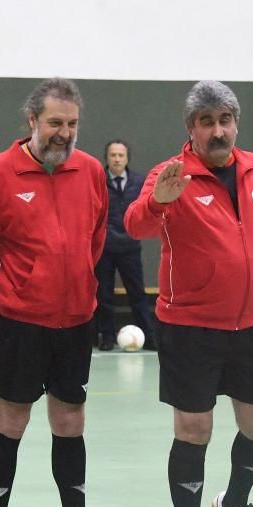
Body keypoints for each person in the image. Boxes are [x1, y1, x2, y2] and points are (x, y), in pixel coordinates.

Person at [124, 80, 253, 507]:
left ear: (236, 122)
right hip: (189, 327)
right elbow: (134, 227)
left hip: (249, 325)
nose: (217, 131)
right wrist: (158, 201)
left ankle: (234, 501)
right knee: (194, 430)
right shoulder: (170, 175)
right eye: (206, 123)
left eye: (225, 120)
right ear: (191, 129)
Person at [0, 77, 127, 507]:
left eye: (72, 124)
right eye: (55, 123)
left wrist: (75, 282)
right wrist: (12, 291)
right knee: (11, 421)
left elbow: (95, 238)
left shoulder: (91, 171)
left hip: (76, 319)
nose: (64, 133)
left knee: (70, 421)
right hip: (21, 321)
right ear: (31, 121)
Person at [95, 139, 155, 351]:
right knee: (104, 294)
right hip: (105, 249)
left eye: (121, 155)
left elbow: (144, 211)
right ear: (107, 158)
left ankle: (149, 335)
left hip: (130, 248)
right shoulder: (98, 180)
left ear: (127, 158)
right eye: (113, 155)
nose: (117, 159)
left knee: (137, 293)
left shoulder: (139, 182)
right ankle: (107, 337)